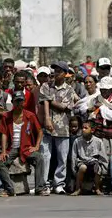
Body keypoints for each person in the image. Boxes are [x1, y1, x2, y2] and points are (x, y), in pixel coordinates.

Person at [0, 91, 48, 197]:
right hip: (12, 148)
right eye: (17, 101)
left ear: (24, 102)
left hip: (26, 148)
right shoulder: (6, 116)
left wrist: (37, 146)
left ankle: (40, 188)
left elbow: (40, 131)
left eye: (21, 101)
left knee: (39, 158)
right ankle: (9, 189)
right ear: (12, 102)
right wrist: (3, 151)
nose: (19, 104)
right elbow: (3, 134)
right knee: (0, 162)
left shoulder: (30, 115)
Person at [39, 61, 77, 194]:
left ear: (65, 74)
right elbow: (43, 102)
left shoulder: (69, 90)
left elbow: (64, 106)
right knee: (45, 156)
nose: (56, 73)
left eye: (59, 71)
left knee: (62, 157)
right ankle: (44, 183)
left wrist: (49, 100)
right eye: (55, 70)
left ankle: (59, 183)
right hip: (46, 126)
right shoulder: (46, 85)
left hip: (63, 126)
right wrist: (47, 118)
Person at [87, 76, 112, 158]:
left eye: (105, 89)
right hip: (97, 136)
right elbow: (90, 116)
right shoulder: (95, 99)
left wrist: (102, 108)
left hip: (111, 137)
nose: (103, 91)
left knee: (111, 159)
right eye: (101, 89)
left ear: (111, 89)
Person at [70, 121, 108, 196]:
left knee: (98, 167)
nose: (83, 130)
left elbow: (103, 157)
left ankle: (97, 188)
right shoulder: (77, 141)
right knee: (82, 167)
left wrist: (103, 169)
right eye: (82, 128)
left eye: (86, 128)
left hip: (94, 163)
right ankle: (78, 188)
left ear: (92, 130)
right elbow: (73, 156)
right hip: (82, 162)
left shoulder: (98, 141)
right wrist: (74, 170)